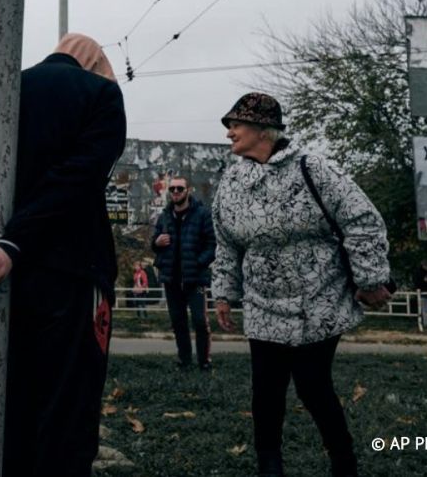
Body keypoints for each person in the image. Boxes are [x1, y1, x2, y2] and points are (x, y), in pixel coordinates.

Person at [0, 32, 125, 476]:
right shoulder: (100, 95)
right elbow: (80, 176)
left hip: (2, 276)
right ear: (96, 62)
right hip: (75, 272)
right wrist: (16, 240)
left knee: (11, 396)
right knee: (69, 402)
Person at [211, 92, 393, 477]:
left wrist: (370, 279)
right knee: (266, 390)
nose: (230, 132)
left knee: (312, 385)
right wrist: (223, 292)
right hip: (264, 302)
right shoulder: (231, 181)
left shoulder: (313, 169)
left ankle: (343, 460)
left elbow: (362, 220)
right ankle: (269, 466)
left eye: (236, 124)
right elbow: (227, 242)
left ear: (264, 130)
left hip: (319, 299)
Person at [150, 176, 216, 370]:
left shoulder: (202, 214)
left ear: (188, 190)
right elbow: (154, 243)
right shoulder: (165, 216)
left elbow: (212, 245)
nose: (176, 192)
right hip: (171, 278)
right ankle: (184, 361)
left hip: (194, 279)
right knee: (178, 322)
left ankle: (204, 361)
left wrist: (197, 263)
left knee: (199, 321)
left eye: (180, 188)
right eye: (172, 189)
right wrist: (156, 243)